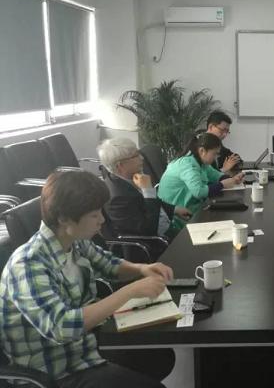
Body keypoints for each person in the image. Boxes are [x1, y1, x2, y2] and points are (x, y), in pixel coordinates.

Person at [0, 171, 175, 388]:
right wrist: (130, 292)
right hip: (56, 371)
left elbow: (110, 265)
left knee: (160, 357)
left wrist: (142, 268)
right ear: (64, 218)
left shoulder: (73, 240)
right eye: (94, 215)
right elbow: (61, 327)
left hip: (83, 347)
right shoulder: (28, 265)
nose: (102, 219)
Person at [97, 138, 192, 241]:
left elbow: (151, 204)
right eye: (136, 155)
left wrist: (174, 209)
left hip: (168, 229)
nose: (142, 158)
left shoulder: (130, 176)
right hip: (158, 243)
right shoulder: (116, 199)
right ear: (120, 166)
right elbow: (148, 230)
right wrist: (148, 191)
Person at [157, 133, 244, 221]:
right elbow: (199, 192)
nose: (215, 158)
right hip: (177, 216)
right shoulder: (187, 165)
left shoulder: (201, 163)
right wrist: (222, 184)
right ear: (202, 151)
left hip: (191, 209)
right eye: (214, 154)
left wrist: (233, 179)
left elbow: (216, 175)